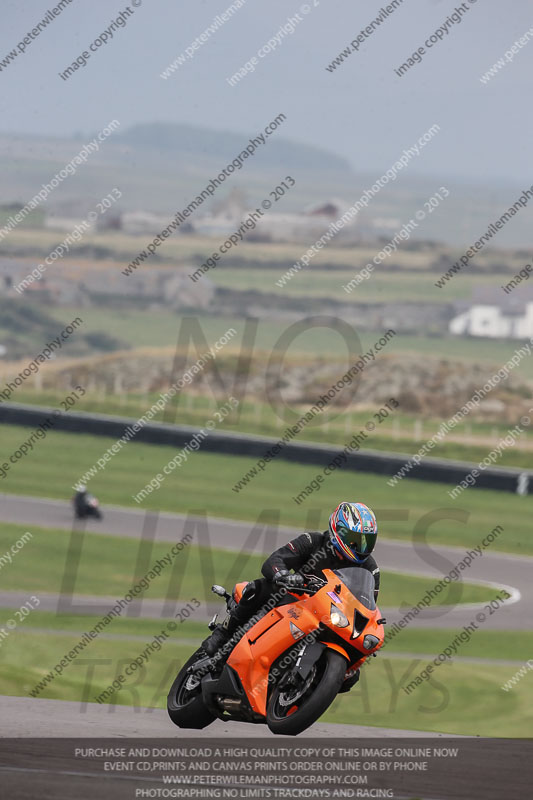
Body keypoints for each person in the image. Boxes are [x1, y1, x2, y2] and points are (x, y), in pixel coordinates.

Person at [202, 501, 380, 665]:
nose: (361, 547)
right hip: (292, 604)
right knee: (260, 587)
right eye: (355, 539)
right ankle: (222, 635)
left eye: (366, 540)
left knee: (352, 672)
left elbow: (367, 607)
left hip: (329, 620)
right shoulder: (313, 542)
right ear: (338, 530)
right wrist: (284, 575)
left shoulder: (370, 568)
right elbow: (274, 560)